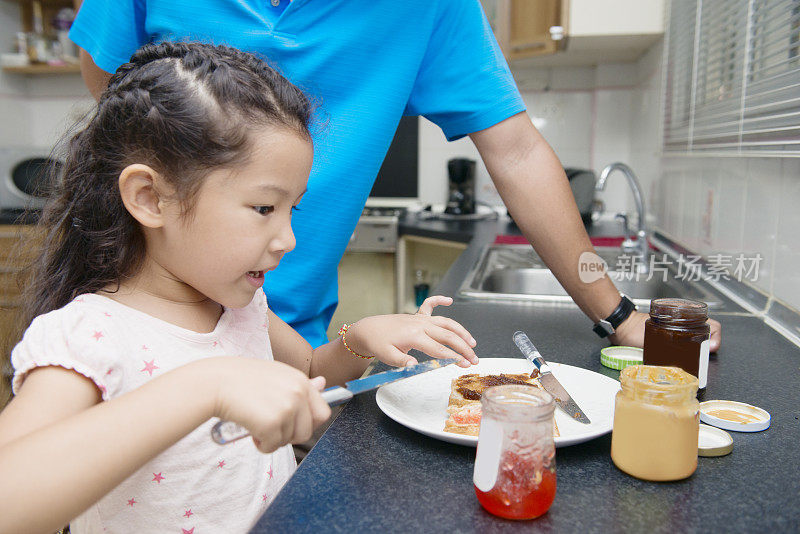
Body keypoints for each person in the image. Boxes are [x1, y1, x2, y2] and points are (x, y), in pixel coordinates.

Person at [0, 42, 479, 534]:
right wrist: (205, 386)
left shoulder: (240, 307)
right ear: (149, 199)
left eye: (292, 209)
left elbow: (312, 371)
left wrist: (357, 341)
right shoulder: (89, 335)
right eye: (263, 208)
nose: (288, 240)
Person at [68, 0, 723, 353]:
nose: (286, 236)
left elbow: (518, 151)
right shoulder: (95, 340)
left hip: (286, 340)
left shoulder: (427, 6)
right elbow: (125, 109)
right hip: (148, 326)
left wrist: (617, 313)